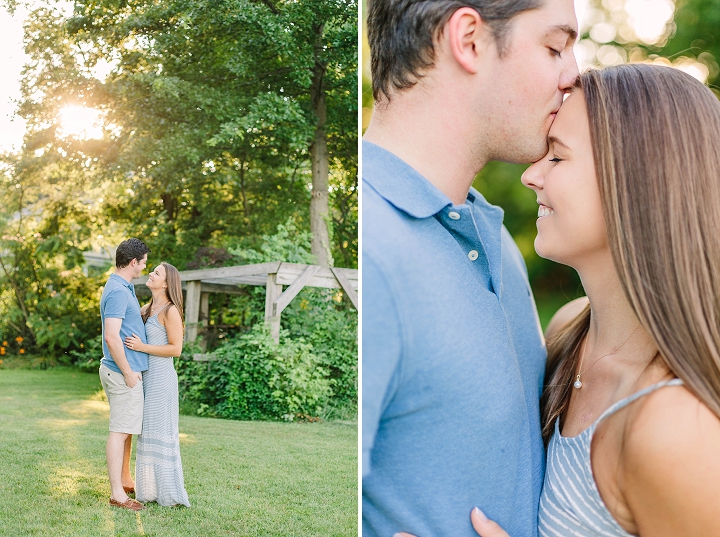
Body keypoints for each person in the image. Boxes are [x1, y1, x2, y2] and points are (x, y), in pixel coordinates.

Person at [404, 64, 720, 537]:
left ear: (636, 183)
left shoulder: (673, 429)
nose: (531, 174)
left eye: (557, 157)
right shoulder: (570, 333)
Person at [362, 0, 579, 535]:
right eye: (555, 46)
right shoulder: (373, 249)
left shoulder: (494, 235)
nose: (574, 74)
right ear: (469, 40)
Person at [123, 261, 190, 507]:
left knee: (160, 431)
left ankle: (169, 492)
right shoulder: (147, 308)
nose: (150, 273)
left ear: (166, 283)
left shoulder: (170, 311)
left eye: (156, 272)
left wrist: (142, 347)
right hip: (146, 378)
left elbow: (176, 349)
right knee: (148, 432)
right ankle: (148, 490)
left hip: (162, 380)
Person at [99, 238, 151, 511]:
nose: (145, 267)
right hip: (122, 373)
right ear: (134, 262)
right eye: (144, 262)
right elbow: (111, 336)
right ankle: (118, 495)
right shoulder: (119, 290)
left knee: (127, 429)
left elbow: (127, 320)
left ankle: (124, 478)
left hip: (123, 371)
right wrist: (129, 373)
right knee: (119, 431)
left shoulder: (124, 286)